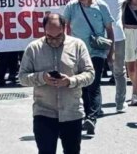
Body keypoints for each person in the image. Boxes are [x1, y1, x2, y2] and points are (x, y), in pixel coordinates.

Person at [19, 13, 94, 154]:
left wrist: (70, 81)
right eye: (50, 37)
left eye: (58, 36)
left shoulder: (78, 46)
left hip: (72, 112)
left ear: (64, 28)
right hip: (44, 112)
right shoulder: (33, 48)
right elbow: (22, 77)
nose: (54, 40)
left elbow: (90, 74)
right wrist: (42, 78)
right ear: (44, 30)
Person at [62, 0, 114, 135]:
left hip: (97, 51)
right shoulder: (71, 6)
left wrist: (110, 53)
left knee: (94, 83)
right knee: (83, 85)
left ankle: (91, 117)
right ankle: (90, 115)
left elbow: (109, 30)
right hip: (78, 53)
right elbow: (65, 28)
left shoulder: (101, 6)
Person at [95, 0, 128, 112]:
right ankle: (120, 103)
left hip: (98, 36)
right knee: (119, 70)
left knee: (96, 70)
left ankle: (97, 105)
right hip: (118, 35)